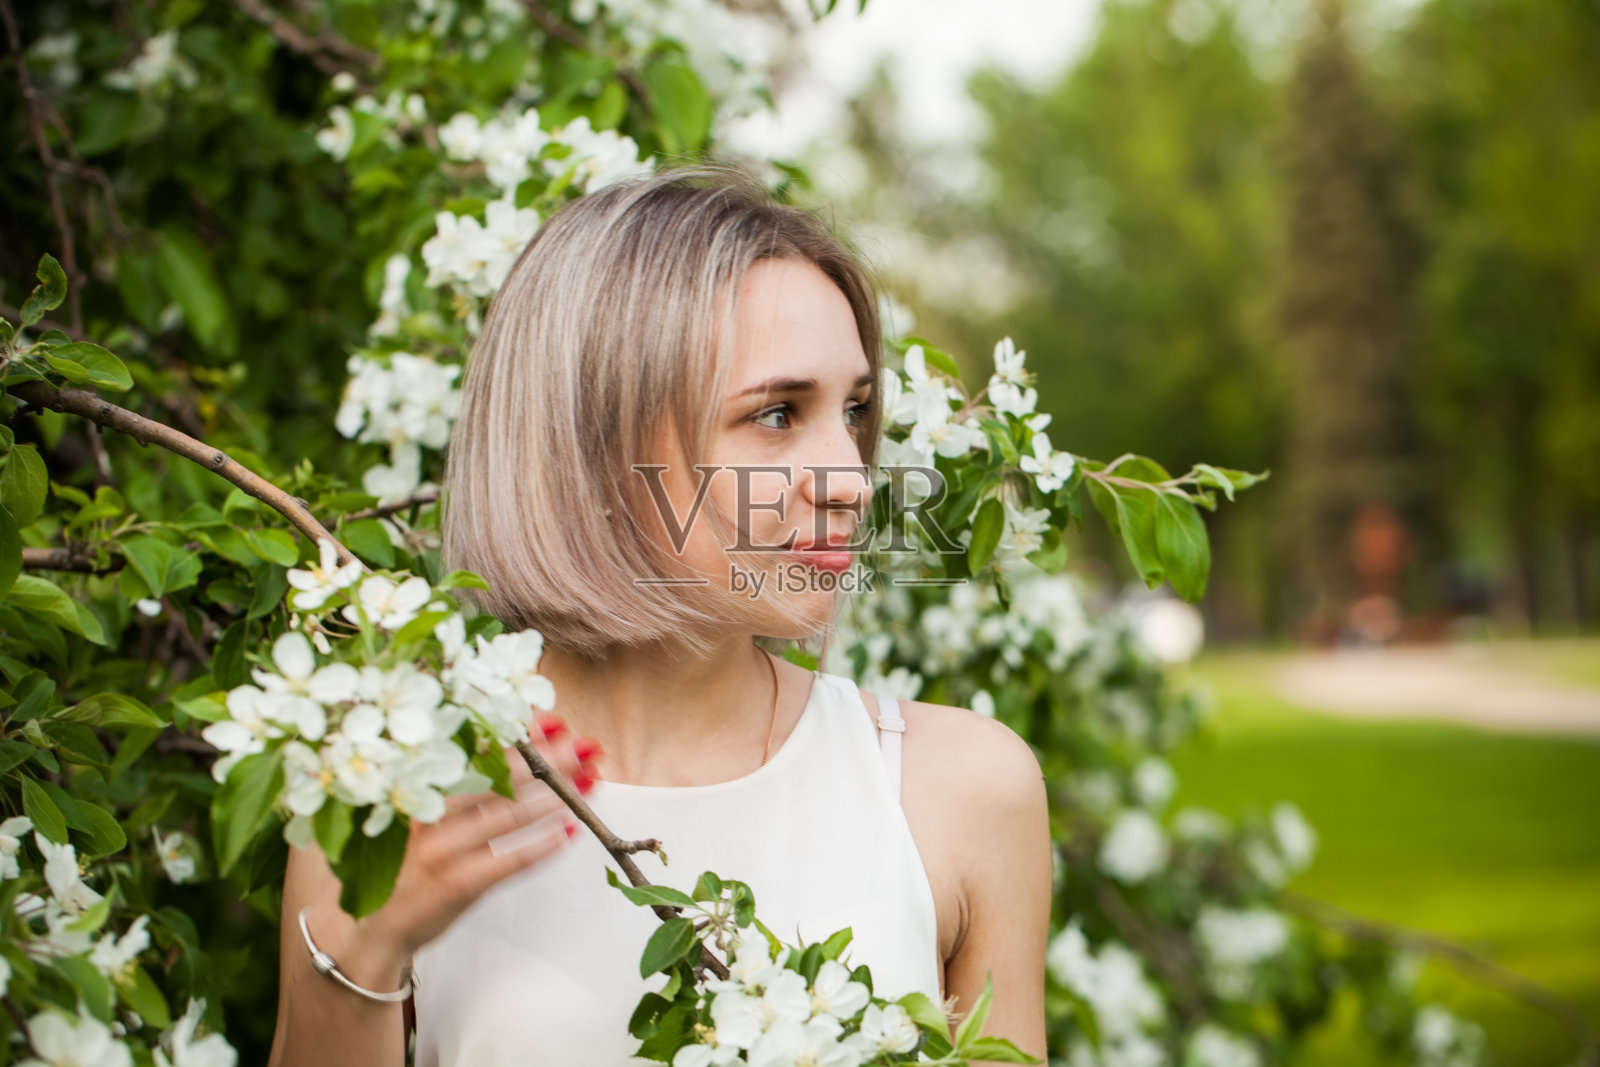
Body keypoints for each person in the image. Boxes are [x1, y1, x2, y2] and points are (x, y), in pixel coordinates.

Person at [268, 165, 1051, 1067]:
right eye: (776, 414)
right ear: (596, 444)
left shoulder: (956, 789)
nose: (849, 478)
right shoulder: (396, 783)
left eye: (855, 410)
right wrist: (366, 946)